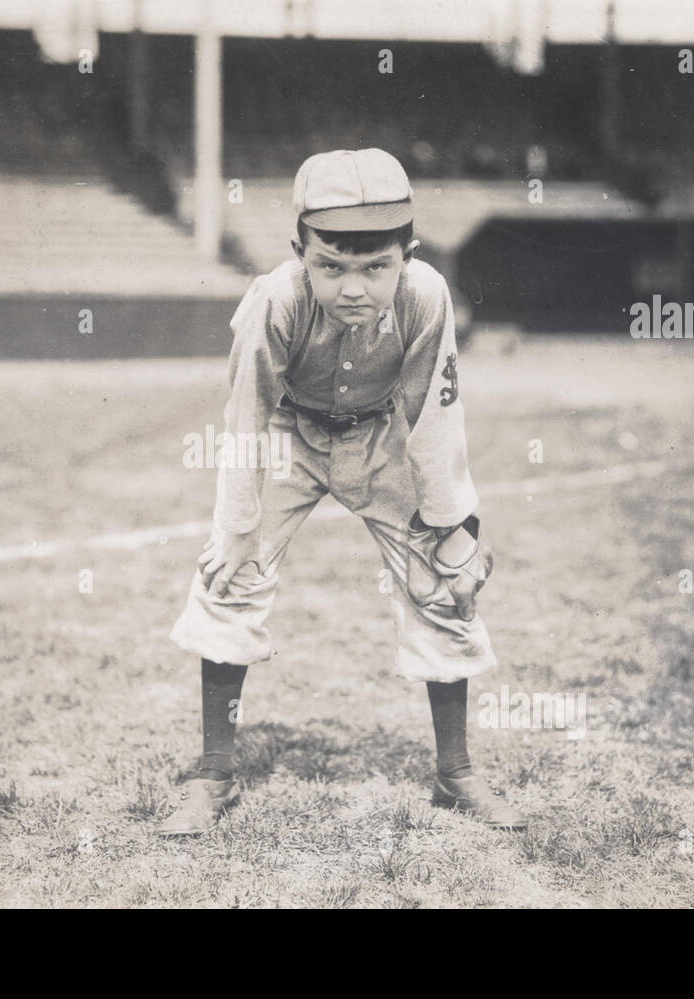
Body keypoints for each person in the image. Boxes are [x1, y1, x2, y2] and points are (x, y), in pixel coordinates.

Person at [162, 148, 526, 836]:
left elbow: (434, 414)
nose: (353, 287)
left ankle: (456, 773)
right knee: (229, 576)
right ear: (299, 249)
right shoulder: (276, 299)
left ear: (407, 254)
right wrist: (239, 523)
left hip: (378, 436)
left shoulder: (426, 296)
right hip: (289, 436)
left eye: (375, 266)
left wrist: (455, 526)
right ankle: (214, 773)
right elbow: (245, 414)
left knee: (443, 581)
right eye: (331, 266)